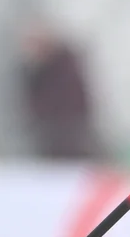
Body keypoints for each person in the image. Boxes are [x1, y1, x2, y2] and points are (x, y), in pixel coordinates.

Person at [19, 23, 100, 160]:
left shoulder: (65, 68)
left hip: (68, 136)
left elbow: (74, 103)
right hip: (45, 137)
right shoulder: (32, 72)